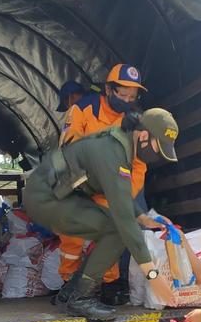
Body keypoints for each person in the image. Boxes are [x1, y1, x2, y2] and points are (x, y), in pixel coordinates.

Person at [24, 108, 179, 321]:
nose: (158, 156)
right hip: (46, 199)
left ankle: (71, 293)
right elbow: (123, 217)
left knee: (115, 227)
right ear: (143, 136)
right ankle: (80, 297)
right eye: (158, 148)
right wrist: (153, 276)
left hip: (57, 197)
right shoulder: (113, 153)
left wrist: (143, 217)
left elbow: (120, 194)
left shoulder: (120, 146)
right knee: (117, 231)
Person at [56, 64, 156, 305]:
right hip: (79, 182)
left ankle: (106, 285)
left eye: (133, 97)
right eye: (123, 94)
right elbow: (70, 146)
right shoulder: (83, 109)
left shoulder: (135, 120)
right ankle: (69, 284)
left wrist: (125, 195)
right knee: (73, 237)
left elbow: (139, 165)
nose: (127, 100)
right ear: (108, 90)